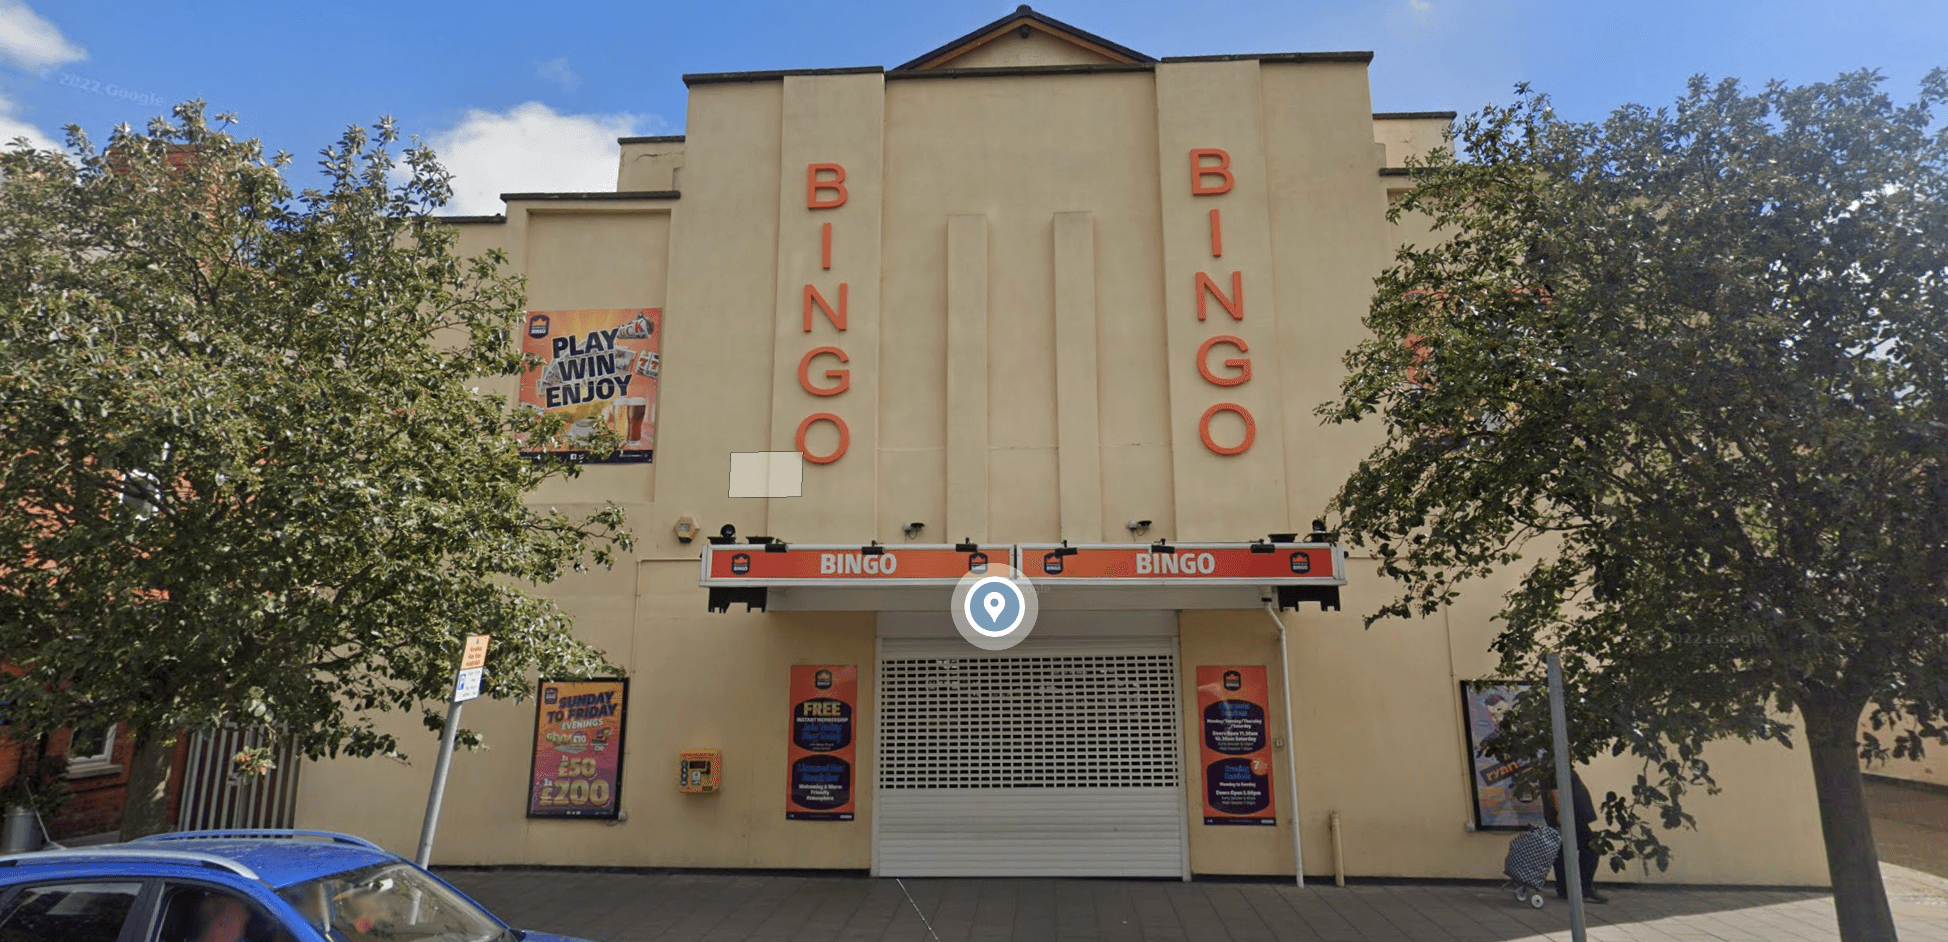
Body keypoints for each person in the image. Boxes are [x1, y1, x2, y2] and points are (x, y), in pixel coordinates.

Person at [1544, 769, 1608, 904]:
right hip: (1572, 818)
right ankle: (1583, 889)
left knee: (1562, 851)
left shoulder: (1551, 763)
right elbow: (1556, 792)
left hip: (1571, 817)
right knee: (1591, 847)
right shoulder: (1554, 764)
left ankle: (1565, 889)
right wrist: (1561, 819)